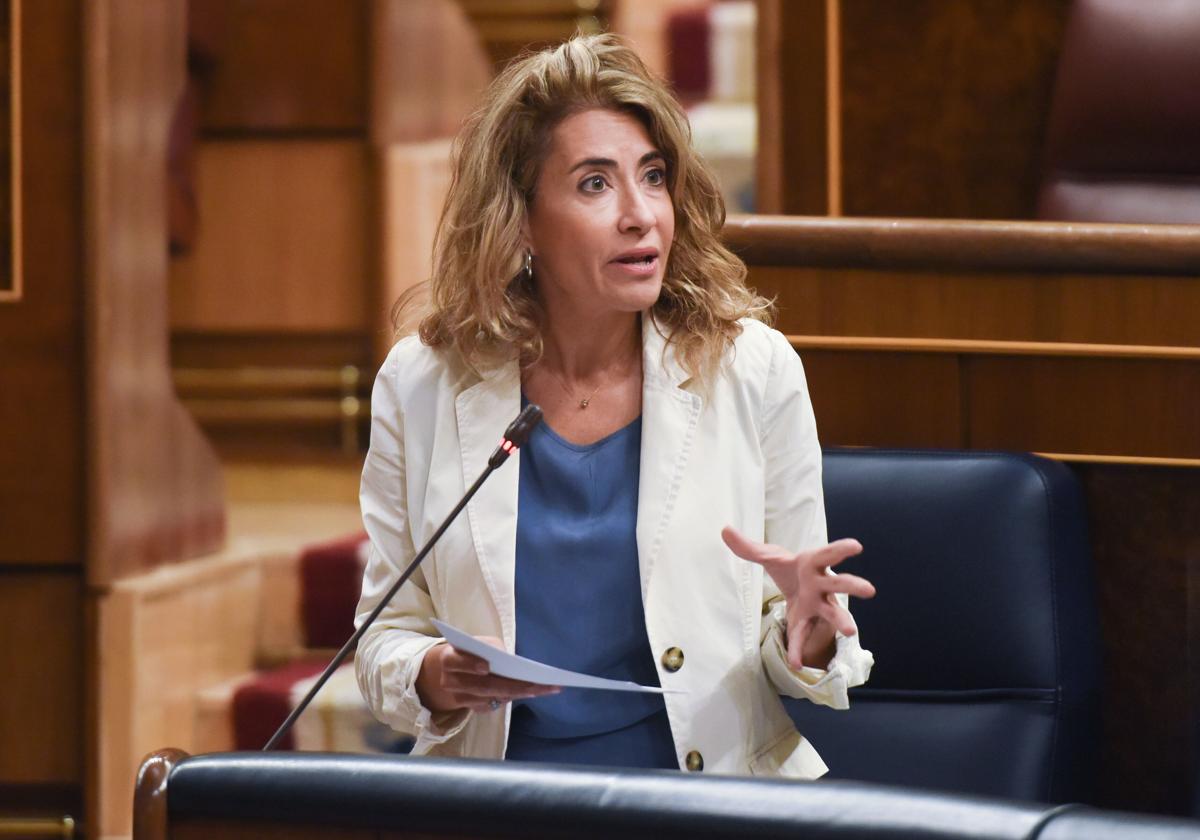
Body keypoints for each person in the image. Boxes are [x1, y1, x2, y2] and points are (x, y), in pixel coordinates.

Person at [355, 33, 875, 777]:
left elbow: (798, 640)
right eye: (595, 184)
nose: (641, 215)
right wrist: (433, 674)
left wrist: (809, 633)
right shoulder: (423, 383)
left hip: (705, 801)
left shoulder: (750, 368)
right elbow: (381, 641)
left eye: (653, 177)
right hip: (502, 800)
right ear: (521, 221)